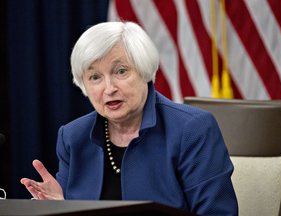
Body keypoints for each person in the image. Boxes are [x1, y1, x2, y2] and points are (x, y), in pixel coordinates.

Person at [21, 21, 238, 215]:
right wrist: (60, 207)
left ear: (144, 71)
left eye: (121, 71)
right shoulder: (72, 137)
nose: (109, 88)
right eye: (95, 77)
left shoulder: (192, 129)